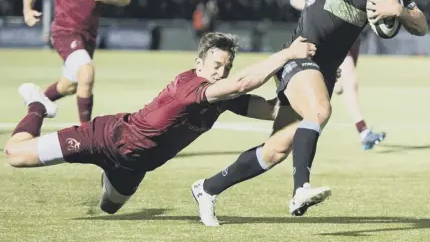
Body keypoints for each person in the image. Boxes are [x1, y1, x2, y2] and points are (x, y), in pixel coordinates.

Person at [181, 0, 428, 224]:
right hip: (298, 56)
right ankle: (300, 190)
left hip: (323, 72)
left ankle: (207, 188)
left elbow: (421, 25)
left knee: (276, 150)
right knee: (320, 111)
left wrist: (400, 11)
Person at [4, 32, 316, 219]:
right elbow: (242, 83)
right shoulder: (191, 85)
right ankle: (38, 104)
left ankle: (107, 174)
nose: (221, 72)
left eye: (226, 67)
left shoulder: (219, 97)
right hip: (105, 139)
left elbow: (273, 110)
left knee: (110, 208)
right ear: (199, 64)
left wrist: (304, 83)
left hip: (133, 165)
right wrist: (288, 53)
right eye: (216, 65)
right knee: (15, 155)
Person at [22, 0, 131, 125]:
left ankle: (36, 101)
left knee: (70, 86)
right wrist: (28, 11)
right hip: (64, 32)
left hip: (88, 36)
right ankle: (86, 132)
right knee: (87, 73)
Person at [289, 0, 385, 150]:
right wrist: (313, 9)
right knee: (350, 82)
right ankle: (364, 131)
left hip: (350, 39)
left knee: (338, 86)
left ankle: (296, 128)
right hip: (331, 40)